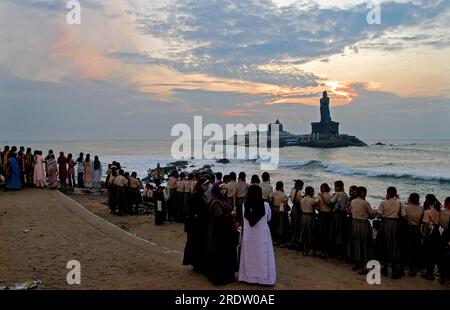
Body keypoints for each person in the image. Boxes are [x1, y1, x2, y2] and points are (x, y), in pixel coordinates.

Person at [239, 185, 276, 286]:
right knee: (263, 254)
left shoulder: (244, 205)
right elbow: (268, 218)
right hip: (262, 234)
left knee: (249, 254)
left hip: (249, 235)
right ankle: (265, 280)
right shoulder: (266, 206)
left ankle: (248, 278)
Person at [206, 183, 237, 285]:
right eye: (221, 189)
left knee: (226, 254)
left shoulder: (223, 200)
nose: (223, 191)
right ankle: (221, 278)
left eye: (225, 189)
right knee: (221, 254)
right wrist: (230, 214)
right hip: (219, 232)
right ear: (217, 190)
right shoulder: (216, 202)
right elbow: (219, 217)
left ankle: (227, 275)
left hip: (225, 231)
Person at [183, 177, 211, 273]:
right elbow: (192, 210)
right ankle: (196, 265)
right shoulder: (196, 195)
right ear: (201, 185)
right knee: (196, 244)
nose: (207, 186)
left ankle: (198, 264)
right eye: (205, 185)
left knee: (199, 244)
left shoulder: (202, 195)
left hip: (200, 224)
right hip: (196, 225)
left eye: (207, 185)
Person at [375, 186, 403, 279]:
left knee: (384, 245)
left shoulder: (383, 202)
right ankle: (394, 270)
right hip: (395, 225)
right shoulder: (399, 203)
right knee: (394, 246)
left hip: (385, 224)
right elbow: (404, 215)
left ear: (388, 194)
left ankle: (385, 269)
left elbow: (379, 215)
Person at [347, 186, 375, 274]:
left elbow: (348, 212)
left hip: (354, 224)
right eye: (365, 192)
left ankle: (356, 264)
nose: (366, 194)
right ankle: (364, 267)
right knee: (364, 246)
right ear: (362, 193)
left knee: (356, 244)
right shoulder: (365, 203)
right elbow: (372, 216)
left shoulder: (353, 201)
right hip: (363, 225)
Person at [401, 193, 424, 277]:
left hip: (407, 228)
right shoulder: (421, 209)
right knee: (414, 249)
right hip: (417, 230)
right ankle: (412, 270)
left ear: (409, 199)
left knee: (404, 248)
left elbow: (403, 217)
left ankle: (402, 268)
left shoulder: (405, 207)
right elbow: (421, 220)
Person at [421, 194, 441, 281]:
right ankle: (431, 273)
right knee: (433, 254)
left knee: (428, 253)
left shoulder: (427, 212)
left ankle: (428, 274)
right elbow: (438, 223)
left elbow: (425, 225)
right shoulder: (438, 210)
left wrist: (423, 236)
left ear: (427, 200)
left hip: (429, 233)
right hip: (436, 232)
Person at [329, 180, 350, 260]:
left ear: (339, 187)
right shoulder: (346, 195)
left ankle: (334, 252)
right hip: (343, 215)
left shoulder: (337, 194)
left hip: (337, 215)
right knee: (341, 233)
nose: (335, 188)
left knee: (335, 232)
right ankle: (340, 253)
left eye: (336, 186)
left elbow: (331, 202)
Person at [315, 183, 333, 259]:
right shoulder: (330, 195)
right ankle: (325, 251)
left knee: (322, 233)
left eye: (321, 188)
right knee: (326, 233)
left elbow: (315, 202)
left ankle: (323, 251)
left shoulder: (320, 196)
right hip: (328, 215)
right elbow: (331, 204)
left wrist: (318, 208)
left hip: (322, 215)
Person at [299, 186, 317, 256]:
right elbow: (316, 208)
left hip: (303, 216)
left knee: (304, 233)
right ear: (311, 192)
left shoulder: (302, 200)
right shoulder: (313, 200)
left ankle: (305, 251)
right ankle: (312, 251)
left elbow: (301, 208)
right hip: (310, 216)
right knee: (312, 233)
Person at [271, 181, 290, 247]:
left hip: (274, 209)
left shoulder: (273, 193)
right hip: (281, 210)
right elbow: (285, 205)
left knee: (275, 225)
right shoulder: (284, 195)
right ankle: (282, 242)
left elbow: (271, 201)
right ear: (282, 187)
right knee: (281, 226)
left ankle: (275, 240)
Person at [438, 197, 450, 284]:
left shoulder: (442, 212)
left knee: (443, 255)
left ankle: (442, 276)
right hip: (447, 234)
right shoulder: (444, 212)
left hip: (445, 234)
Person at [289, 180, 303, 250]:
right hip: (297, 209)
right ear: (300, 186)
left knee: (293, 226)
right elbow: (300, 204)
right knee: (297, 226)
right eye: (302, 186)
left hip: (293, 208)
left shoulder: (292, 190)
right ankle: (296, 243)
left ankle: (292, 243)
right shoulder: (299, 193)